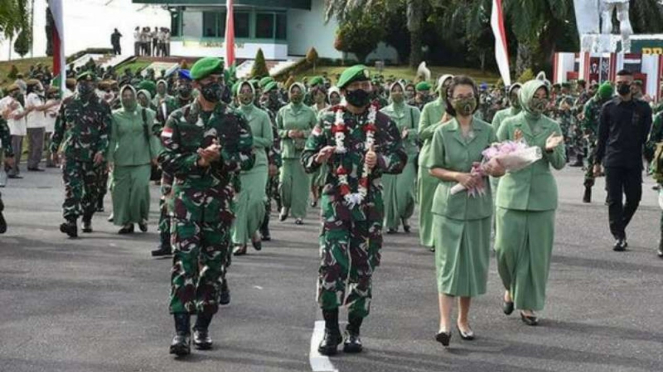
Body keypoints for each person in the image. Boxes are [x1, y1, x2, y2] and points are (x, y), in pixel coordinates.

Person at [301, 65, 407, 356]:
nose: (362, 89)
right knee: (333, 265)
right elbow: (306, 159)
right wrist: (319, 157)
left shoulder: (384, 123)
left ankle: (355, 330)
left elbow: (400, 159)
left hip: (369, 204)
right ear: (346, 90)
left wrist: (381, 161)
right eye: (356, 85)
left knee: (364, 267)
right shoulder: (326, 120)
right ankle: (332, 329)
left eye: (366, 85)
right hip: (335, 200)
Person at [158, 57, 254, 356]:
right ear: (197, 85)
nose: (217, 86)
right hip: (186, 203)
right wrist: (197, 160)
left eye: (220, 81)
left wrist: (222, 157)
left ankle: (202, 327)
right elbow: (164, 158)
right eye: (210, 82)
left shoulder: (234, 118)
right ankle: (181, 333)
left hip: (219, 205)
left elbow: (248, 157)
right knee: (184, 266)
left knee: (214, 267)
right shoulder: (178, 117)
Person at [426, 75, 504, 346]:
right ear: (449, 100)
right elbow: (433, 167)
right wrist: (457, 175)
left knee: (470, 265)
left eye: (469, 95)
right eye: (459, 96)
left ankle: (463, 319)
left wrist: (497, 168)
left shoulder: (487, 129)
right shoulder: (441, 131)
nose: (465, 101)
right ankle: (444, 324)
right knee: (448, 264)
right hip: (449, 207)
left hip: (478, 208)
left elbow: (498, 165)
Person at [495, 79, 566, 326]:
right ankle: (510, 287)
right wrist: (514, 150)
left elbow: (560, 163)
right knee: (505, 250)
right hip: (511, 194)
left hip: (542, 198)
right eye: (536, 95)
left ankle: (528, 304)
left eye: (544, 96)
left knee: (536, 255)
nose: (540, 100)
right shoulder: (508, 124)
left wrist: (548, 150)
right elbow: (496, 158)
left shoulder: (553, 125)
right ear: (525, 96)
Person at [593, 70, 652, 251]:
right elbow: (601, 137)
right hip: (613, 160)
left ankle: (619, 226)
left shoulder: (643, 109)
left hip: (633, 160)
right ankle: (619, 236)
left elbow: (646, 136)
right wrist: (597, 162)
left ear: (633, 85)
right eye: (618, 83)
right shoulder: (608, 107)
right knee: (614, 199)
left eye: (626, 82)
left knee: (634, 198)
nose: (622, 85)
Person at [50, 71, 112, 238]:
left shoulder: (102, 105)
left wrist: (102, 150)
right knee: (73, 188)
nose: (86, 86)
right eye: (83, 83)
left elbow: (107, 132)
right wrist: (54, 148)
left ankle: (87, 217)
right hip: (71, 152)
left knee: (92, 192)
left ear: (95, 85)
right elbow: (59, 128)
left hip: (93, 156)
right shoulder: (68, 103)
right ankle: (71, 221)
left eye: (90, 84)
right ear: (78, 84)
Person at [108, 85, 159, 234]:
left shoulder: (147, 114)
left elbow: (152, 136)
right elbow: (112, 139)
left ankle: (141, 218)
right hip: (121, 160)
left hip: (143, 160)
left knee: (140, 189)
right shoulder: (115, 116)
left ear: (136, 97)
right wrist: (109, 158)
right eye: (125, 96)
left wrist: (155, 155)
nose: (128, 98)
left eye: (131, 95)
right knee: (121, 193)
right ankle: (127, 222)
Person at [230, 81, 273, 255]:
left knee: (257, 201)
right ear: (237, 95)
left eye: (249, 91)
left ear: (254, 94)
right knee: (239, 203)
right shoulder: (232, 114)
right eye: (243, 91)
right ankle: (239, 241)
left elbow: (268, 140)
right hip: (238, 163)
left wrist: (250, 140)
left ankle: (253, 228)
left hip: (258, 163)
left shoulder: (262, 115)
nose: (246, 94)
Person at [418, 75, 453, 251]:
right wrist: (441, 123)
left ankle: (444, 236)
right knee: (429, 202)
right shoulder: (429, 107)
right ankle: (431, 238)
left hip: (452, 161)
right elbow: (422, 133)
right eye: (445, 85)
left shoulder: (459, 106)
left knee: (448, 202)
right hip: (429, 160)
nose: (448, 88)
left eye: (451, 85)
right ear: (438, 87)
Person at [380, 81, 420, 233]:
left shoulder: (413, 111)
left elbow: (420, 130)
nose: (397, 92)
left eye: (399, 90)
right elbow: (379, 133)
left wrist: (409, 133)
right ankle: (391, 223)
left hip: (408, 155)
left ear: (404, 92)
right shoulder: (383, 112)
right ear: (389, 93)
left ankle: (404, 215)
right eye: (393, 90)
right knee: (389, 194)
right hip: (390, 156)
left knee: (405, 193)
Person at [276, 82, 317, 225]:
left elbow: (317, 130)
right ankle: (285, 205)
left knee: (301, 187)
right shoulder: (283, 111)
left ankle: (299, 214)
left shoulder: (310, 112)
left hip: (303, 153)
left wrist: (304, 133)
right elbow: (277, 130)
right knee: (284, 183)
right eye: (292, 91)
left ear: (304, 93)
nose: (295, 94)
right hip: (286, 153)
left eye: (298, 91)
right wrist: (287, 133)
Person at [582, 83, 614, 203]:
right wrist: (592, 139)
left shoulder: (613, 103)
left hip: (610, 139)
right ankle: (588, 188)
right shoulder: (590, 104)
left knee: (610, 166)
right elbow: (585, 124)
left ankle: (609, 193)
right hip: (594, 138)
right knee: (591, 163)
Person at [24, 80, 53, 171]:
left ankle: (31, 163)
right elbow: (39, 108)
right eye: (38, 85)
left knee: (33, 146)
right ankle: (34, 164)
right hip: (37, 124)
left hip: (33, 123)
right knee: (37, 146)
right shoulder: (34, 96)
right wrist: (52, 104)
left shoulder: (30, 96)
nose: (40, 86)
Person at [0, 84, 26, 179]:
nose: (18, 92)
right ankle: (11, 170)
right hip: (12, 129)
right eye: (16, 90)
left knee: (17, 152)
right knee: (14, 151)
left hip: (18, 129)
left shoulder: (17, 102)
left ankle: (14, 170)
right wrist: (27, 111)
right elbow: (14, 116)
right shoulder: (6, 101)